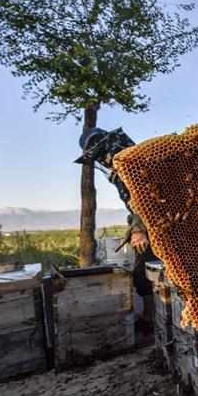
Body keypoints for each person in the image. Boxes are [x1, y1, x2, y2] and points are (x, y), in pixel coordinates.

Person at [76, 128, 157, 332]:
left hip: (155, 225)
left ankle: (152, 320)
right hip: (153, 224)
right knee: (148, 273)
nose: (100, 162)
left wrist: (138, 228)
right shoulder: (128, 161)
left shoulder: (129, 162)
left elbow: (143, 196)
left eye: (98, 157)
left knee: (144, 273)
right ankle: (157, 318)